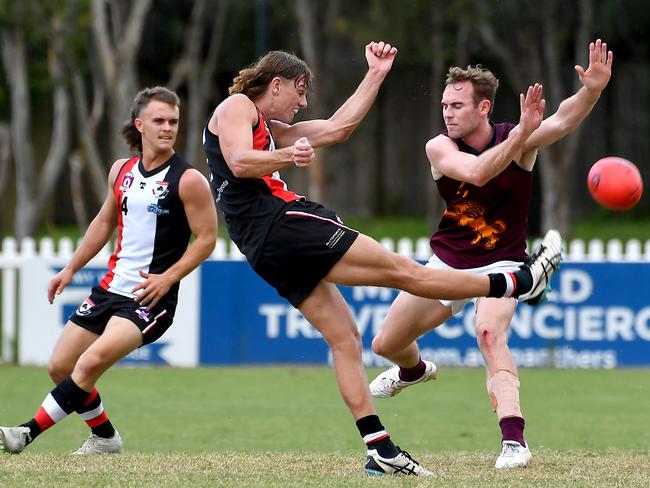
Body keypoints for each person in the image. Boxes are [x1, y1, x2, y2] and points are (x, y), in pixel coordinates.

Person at [202, 40, 560, 476]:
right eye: (300, 90)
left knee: (345, 338)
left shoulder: (268, 125)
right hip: (285, 222)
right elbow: (240, 162)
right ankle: (518, 283)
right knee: (406, 273)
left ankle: (380, 448)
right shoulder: (238, 105)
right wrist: (285, 156)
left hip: (261, 245)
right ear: (275, 84)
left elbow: (338, 128)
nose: (304, 101)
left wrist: (376, 72)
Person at [369, 39, 613, 468]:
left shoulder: (516, 138)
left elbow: (562, 120)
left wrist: (591, 90)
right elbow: (479, 173)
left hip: (503, 262)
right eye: (445, 104)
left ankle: (514, 442)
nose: (447, 112)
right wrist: (523, 133)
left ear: (483, 108)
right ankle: (412, 371)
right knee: (386, 342)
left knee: (488, 333)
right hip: (448, 263)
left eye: (457, 105)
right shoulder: (439, 147)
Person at [0, 87, 217, 455]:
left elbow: (207, 239)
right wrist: (70, 268)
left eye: (174, 121)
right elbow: (104, 223)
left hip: (150, 297)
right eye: (159, 120)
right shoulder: (121, 170)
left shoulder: (188, 179)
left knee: (89, 364)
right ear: (140, 124)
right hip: (110, 288)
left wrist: (168, 277)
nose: (167, 128)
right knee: (60, 366)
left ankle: (24, 433)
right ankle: (105, 438)